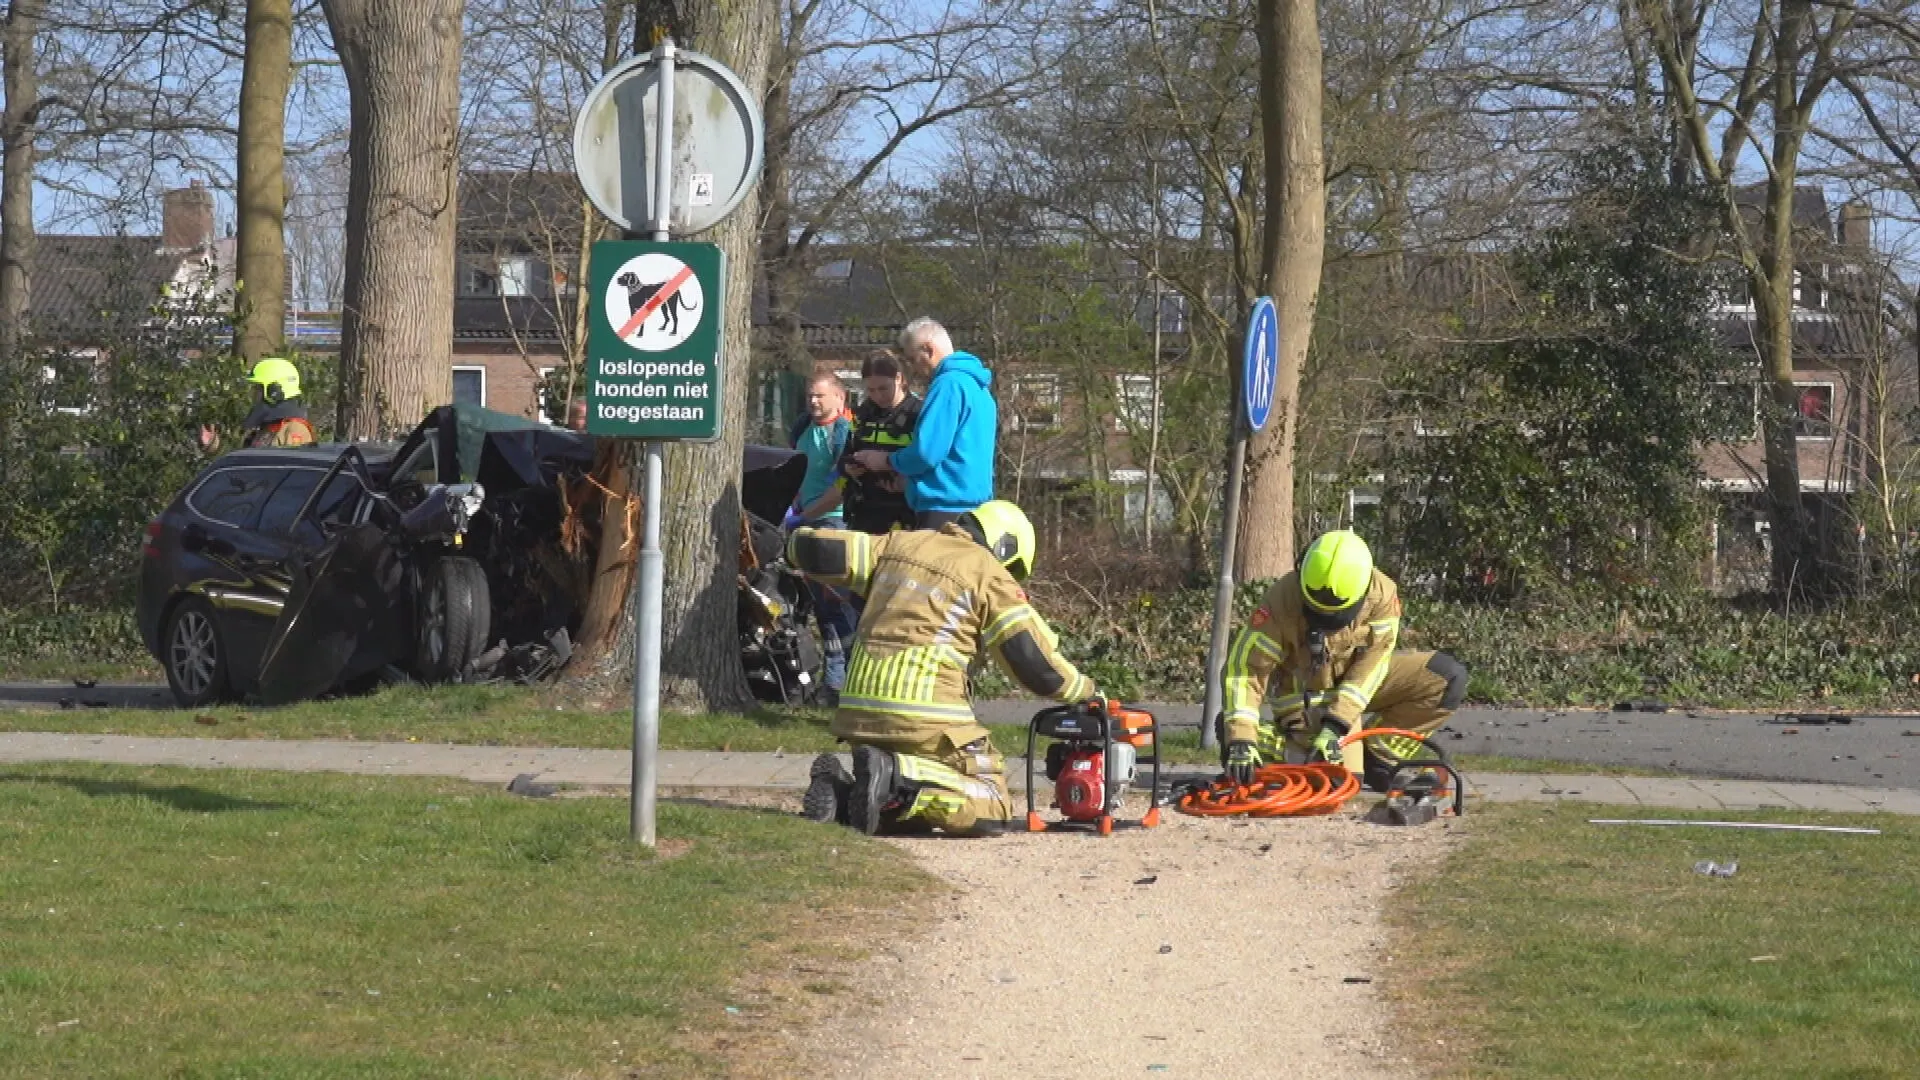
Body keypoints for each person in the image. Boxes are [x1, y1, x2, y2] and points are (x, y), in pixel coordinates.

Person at [787, 499, 1097, 836]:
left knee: (911, 802)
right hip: (925, 716)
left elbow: (817, 548)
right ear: (1005, 547)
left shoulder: (898, 544)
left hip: (857, 712)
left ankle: (841, 792)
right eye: (1013, 567)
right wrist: (1085, 691)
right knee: (991, 802)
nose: (1011, 576)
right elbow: (1032, 662)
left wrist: (788, 543)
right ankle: (896, 774)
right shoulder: (988, 574)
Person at [1218, 529, 1469, 792]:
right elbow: (1246, 671)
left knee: (1444, 677)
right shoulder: (1281, 601)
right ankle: (1257, 742)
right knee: (1341, 783)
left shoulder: (1381, 594)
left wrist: (1336, 726)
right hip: (1306, 696)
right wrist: (1241, 737)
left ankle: (1379, 758)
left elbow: (1373, 665)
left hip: (1357, 688)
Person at [852, 317, 995, 530]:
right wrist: (910, 484)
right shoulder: (978, 387)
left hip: (942, 507)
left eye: (912, 359)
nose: (913, 368)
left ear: (928, 349)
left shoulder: (947, 385)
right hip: (975, 510)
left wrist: (886, 460)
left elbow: (926, 453)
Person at [788, 370, 859, 704]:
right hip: (806, 521)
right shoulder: (802, 427)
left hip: (834, 523)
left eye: (820, 395)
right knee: (819, 606)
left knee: (837, 604)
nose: (813, 402)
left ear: (839, 398)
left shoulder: (844, 433)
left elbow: (842, 487)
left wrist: (808, 513)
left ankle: (844, 682)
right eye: (810, 396)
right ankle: (833, 682)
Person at [799, 350, 922, 534]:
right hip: (863, 515)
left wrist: (895, 469)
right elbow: (845, 457)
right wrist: (849, 467)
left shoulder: (918, 414)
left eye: (883, 388)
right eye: (871, 390)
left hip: (905, 516)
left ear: (898, 378)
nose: (878, 396)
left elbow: (929, 460)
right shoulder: (862, 415)